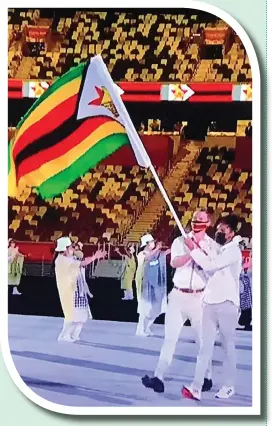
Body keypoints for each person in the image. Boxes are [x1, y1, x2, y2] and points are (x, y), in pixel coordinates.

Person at [142, 209, 218, 393]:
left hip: (200, 298)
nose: (196, 221)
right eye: (194, 218)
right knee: (170, 339)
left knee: (202, 340)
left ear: (209, 223)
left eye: (201, 219)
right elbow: (174, 263)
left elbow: (212, 269)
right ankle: (158, 377)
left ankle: (206, 377)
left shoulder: (213, 246)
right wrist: (190, 252)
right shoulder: (180, 241)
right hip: (178, 296)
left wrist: (198, 251)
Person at [182, 214, 242, 401]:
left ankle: (229, 385)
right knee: (204, 347)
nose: (219, 231)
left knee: (227, 345)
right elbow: (208, 259)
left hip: (227, 303)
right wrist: (195, 246)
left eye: (223, 229)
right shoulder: (221, 249)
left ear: (232, 232)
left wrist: (194, 250)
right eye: (219, 228)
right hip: (209, 302)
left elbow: (211, 265)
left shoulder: (233, 251)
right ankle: (196, 387)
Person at [54, 236, 106, 343]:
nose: (72, 249)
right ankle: (64, 335)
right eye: (70, 247)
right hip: (70, 291)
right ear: (65, 249)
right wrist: (94, 257)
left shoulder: (69, 258)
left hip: (78, 290)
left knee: (82, 315)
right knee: (72, 315)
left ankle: (74, 335)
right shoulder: (62, 260)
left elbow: (81, 262)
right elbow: (82, 263)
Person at [135, 234, 170, 336]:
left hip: (155, 284)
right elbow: (148, 258)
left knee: (156, 307)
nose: (153, 244)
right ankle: (140, 329)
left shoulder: (157, 254)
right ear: (146, 244)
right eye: (151, 242)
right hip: (144, 284)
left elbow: (165, 253)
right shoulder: (141, 254)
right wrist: (157, 249)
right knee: (144, 307)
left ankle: (147, 327)